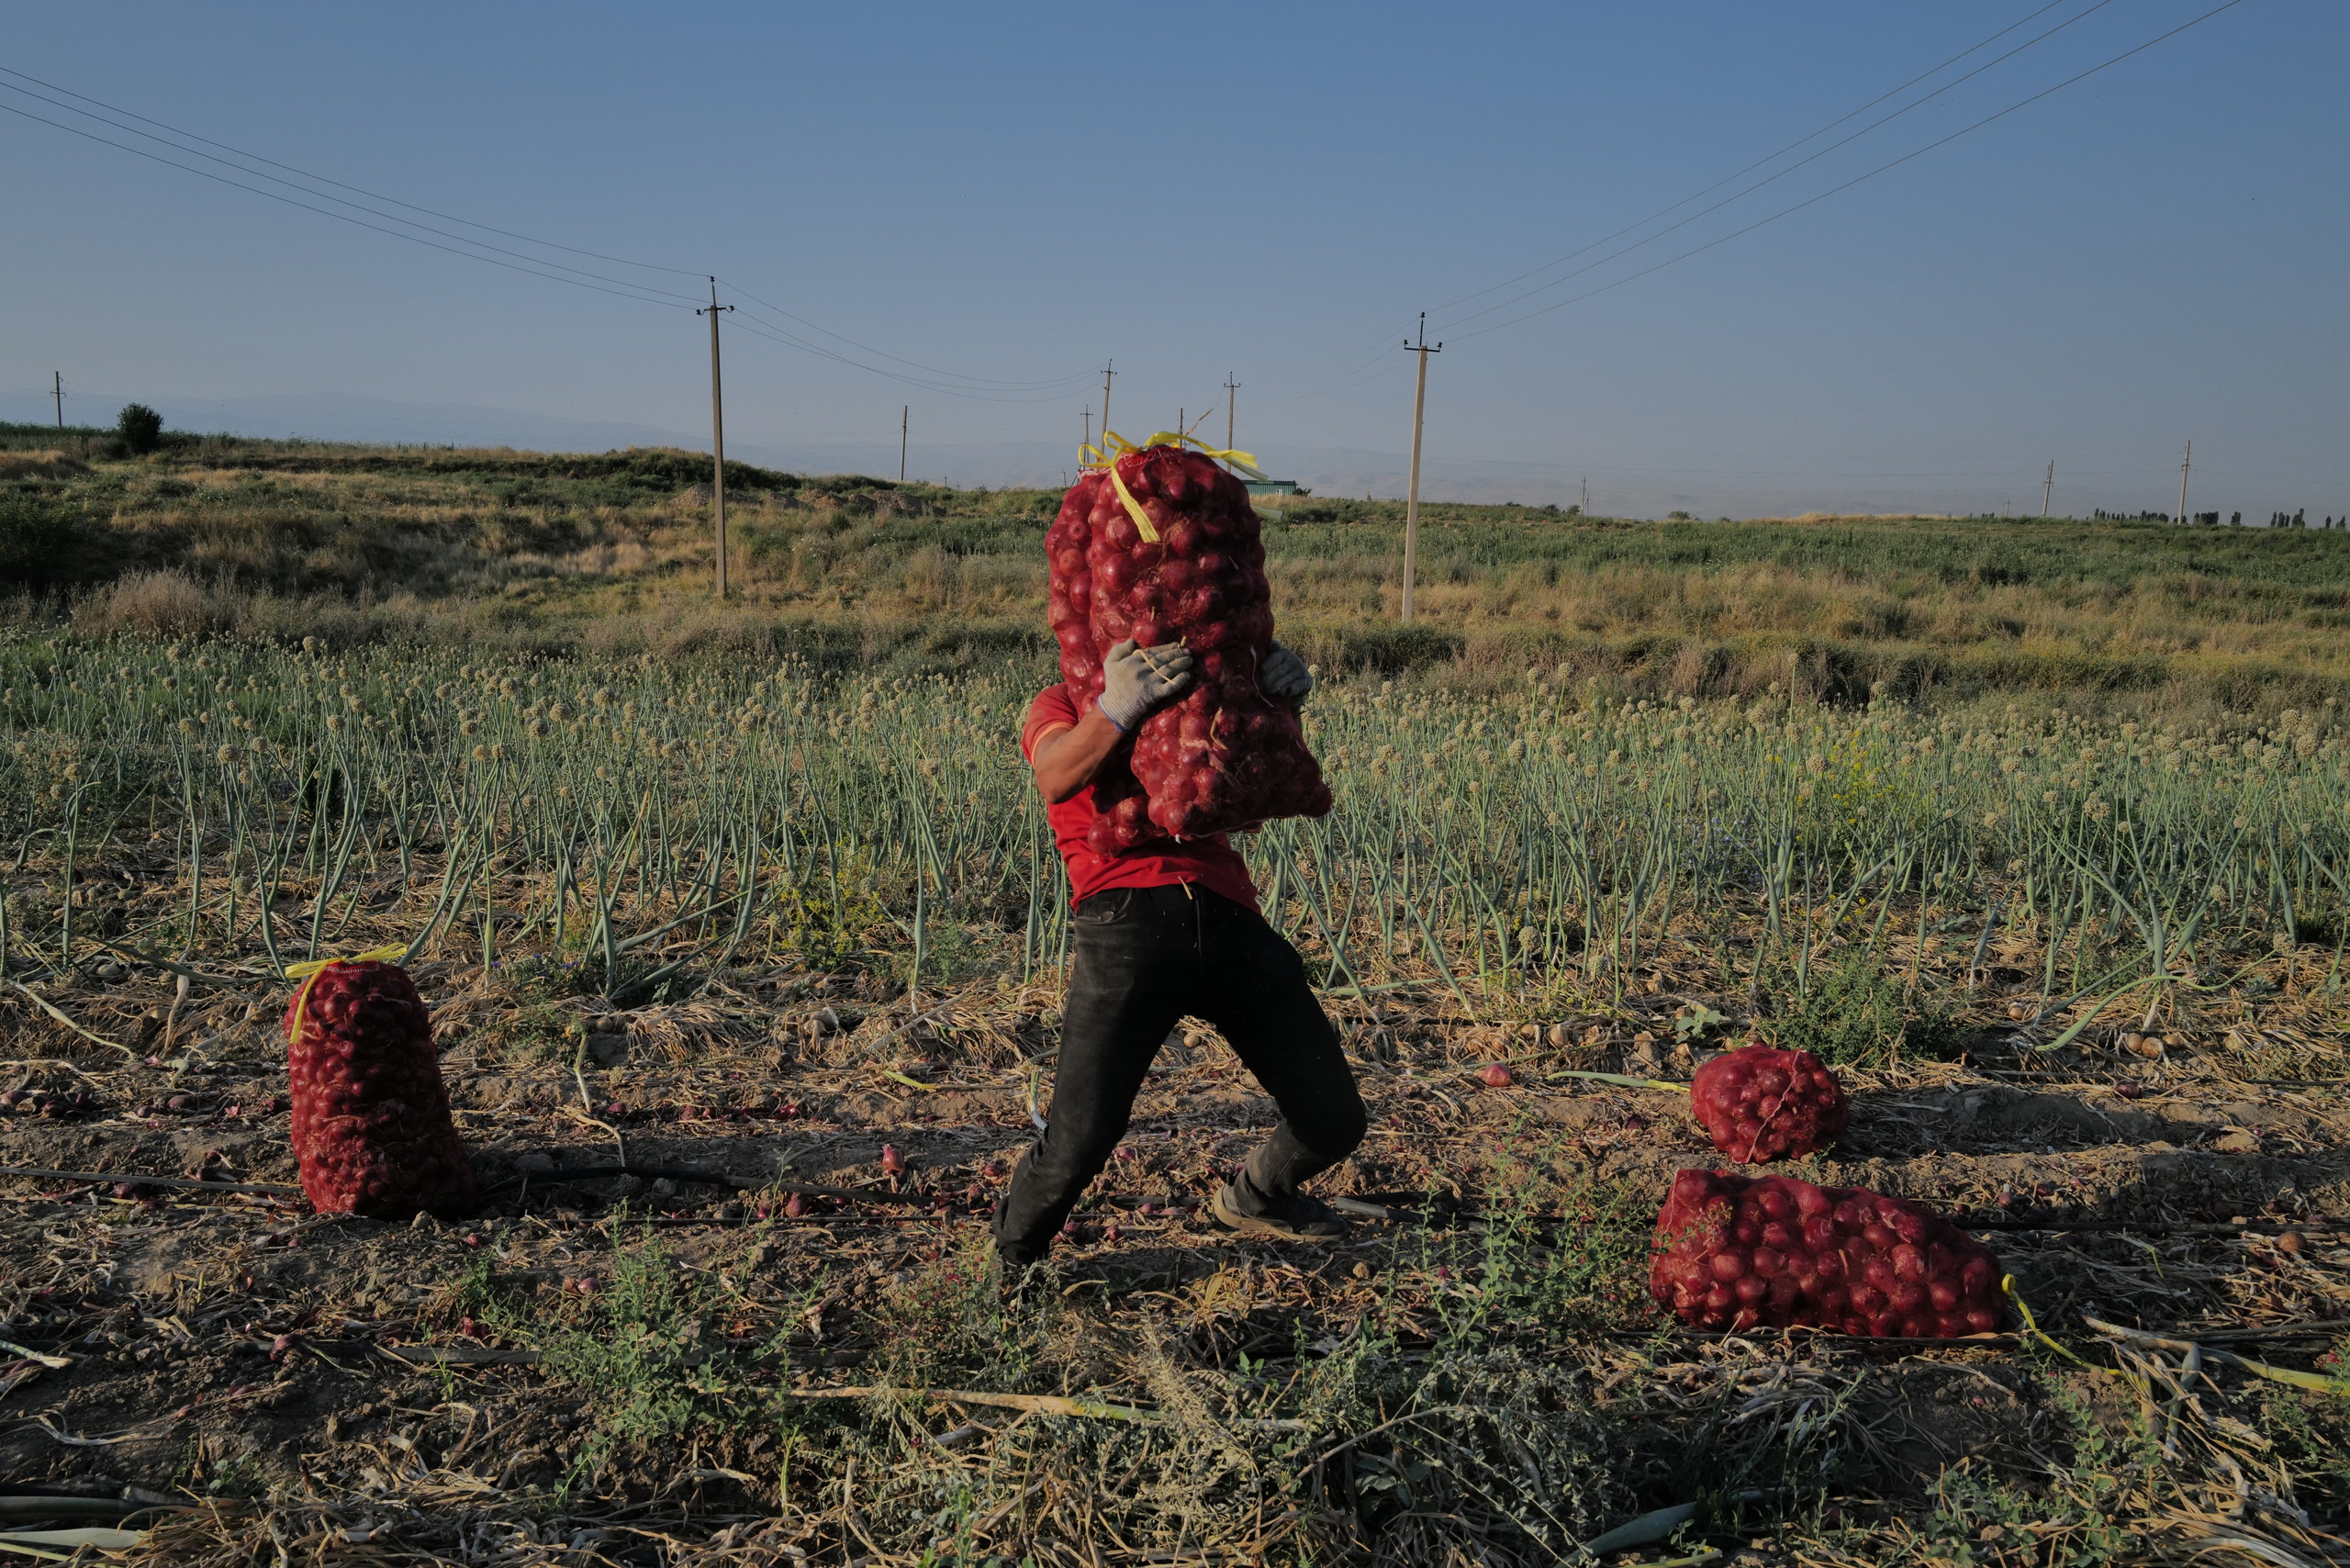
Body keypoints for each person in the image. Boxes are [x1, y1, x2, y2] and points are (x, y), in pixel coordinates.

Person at [991, 637, 1368, 1271]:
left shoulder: (1198, 704)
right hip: (1125, 923)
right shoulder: (1059, 702)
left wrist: (1280, 706)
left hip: (1228, 914)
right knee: (1081, 1139)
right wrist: (1114, 708)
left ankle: (1257, 1197)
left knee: (1334, 1118)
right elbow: (1055, 776)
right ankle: (1010, 1261)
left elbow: (1262, 802)